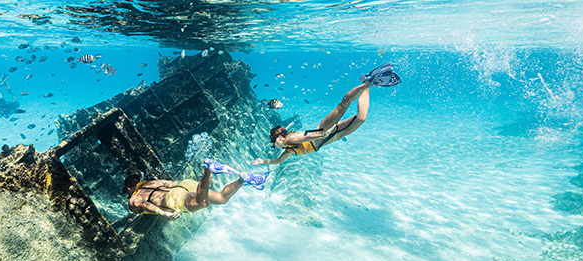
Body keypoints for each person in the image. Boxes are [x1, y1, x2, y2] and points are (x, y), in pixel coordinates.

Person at [252, 63, 399, 166]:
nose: (275, 145)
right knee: (360, 118)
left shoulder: (290, 138)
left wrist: (322, 133)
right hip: (329, 139)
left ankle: (366, 83)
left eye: (274, 142)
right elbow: (278, 161)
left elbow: (306, 135)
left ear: (279, 137)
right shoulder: (288, 148)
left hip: (323, 131)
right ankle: (368, 83)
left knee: (342, 106)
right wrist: (262, 162)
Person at [124, 160, 268, 219]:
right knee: (221, 199)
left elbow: (145, 205)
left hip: (174, 198)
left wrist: (163, 213)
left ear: (129, 188)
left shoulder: (133, 199)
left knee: (203, 203)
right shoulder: (152, 182)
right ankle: (242, 179)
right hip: (184, 185)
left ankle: (207, 171)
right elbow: (171, 183)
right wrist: (198, 186)